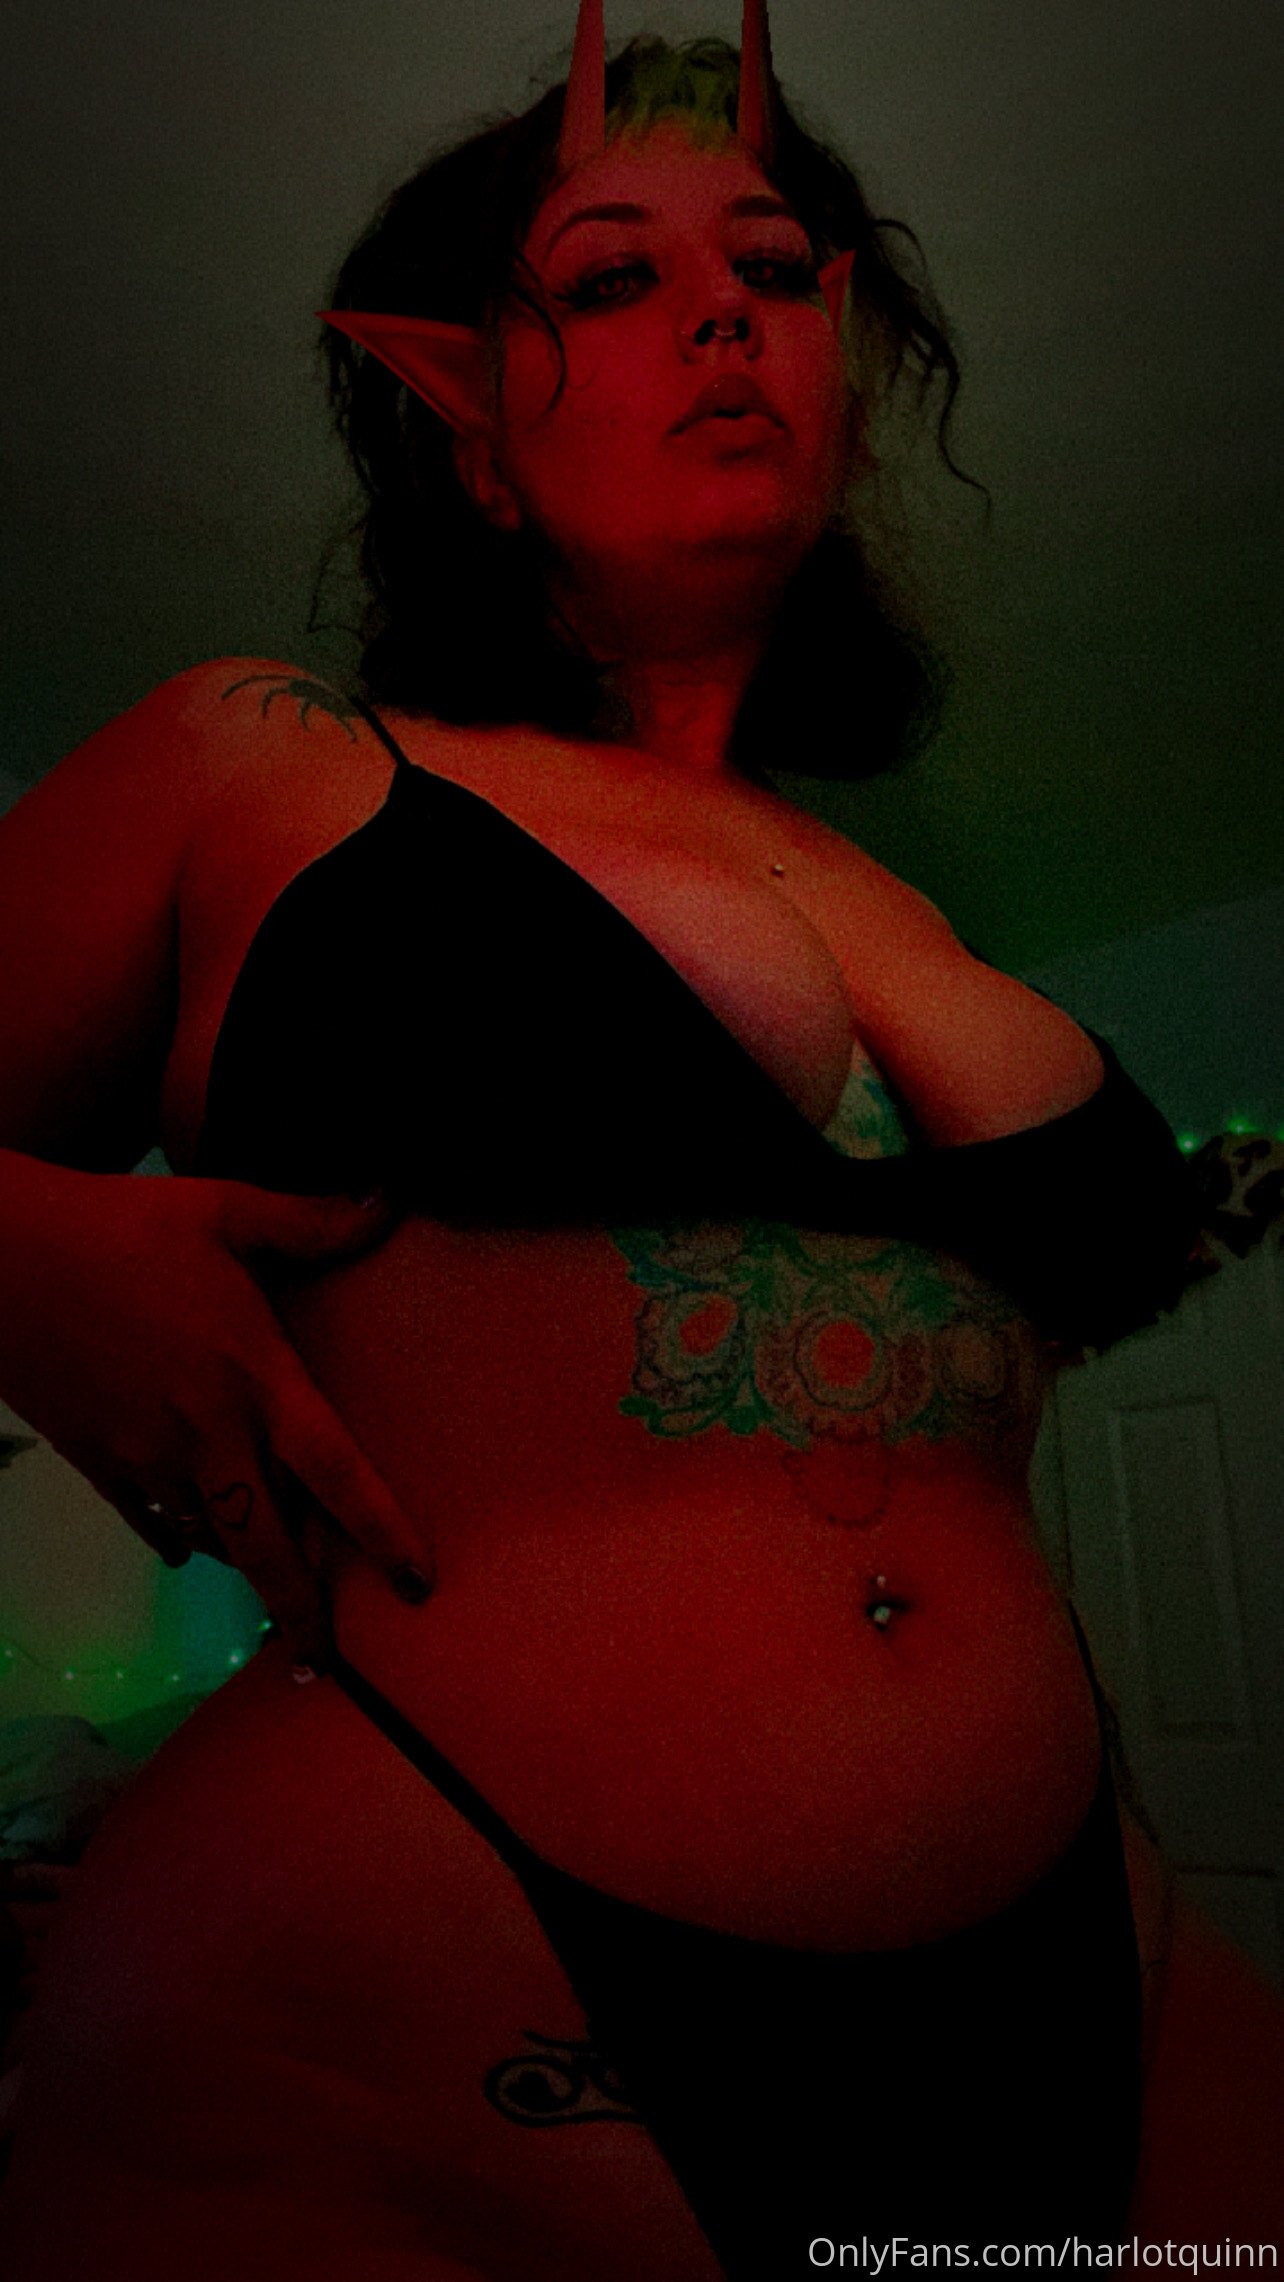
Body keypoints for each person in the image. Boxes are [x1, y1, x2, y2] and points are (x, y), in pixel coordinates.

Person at [0, 9, 1281, 2275]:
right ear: (473, 440)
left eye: (777, 269)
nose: (726, 312)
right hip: (417, 2031)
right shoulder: (265, 762)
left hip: (1099, 1959)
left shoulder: (920, 919)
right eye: (612, 275)